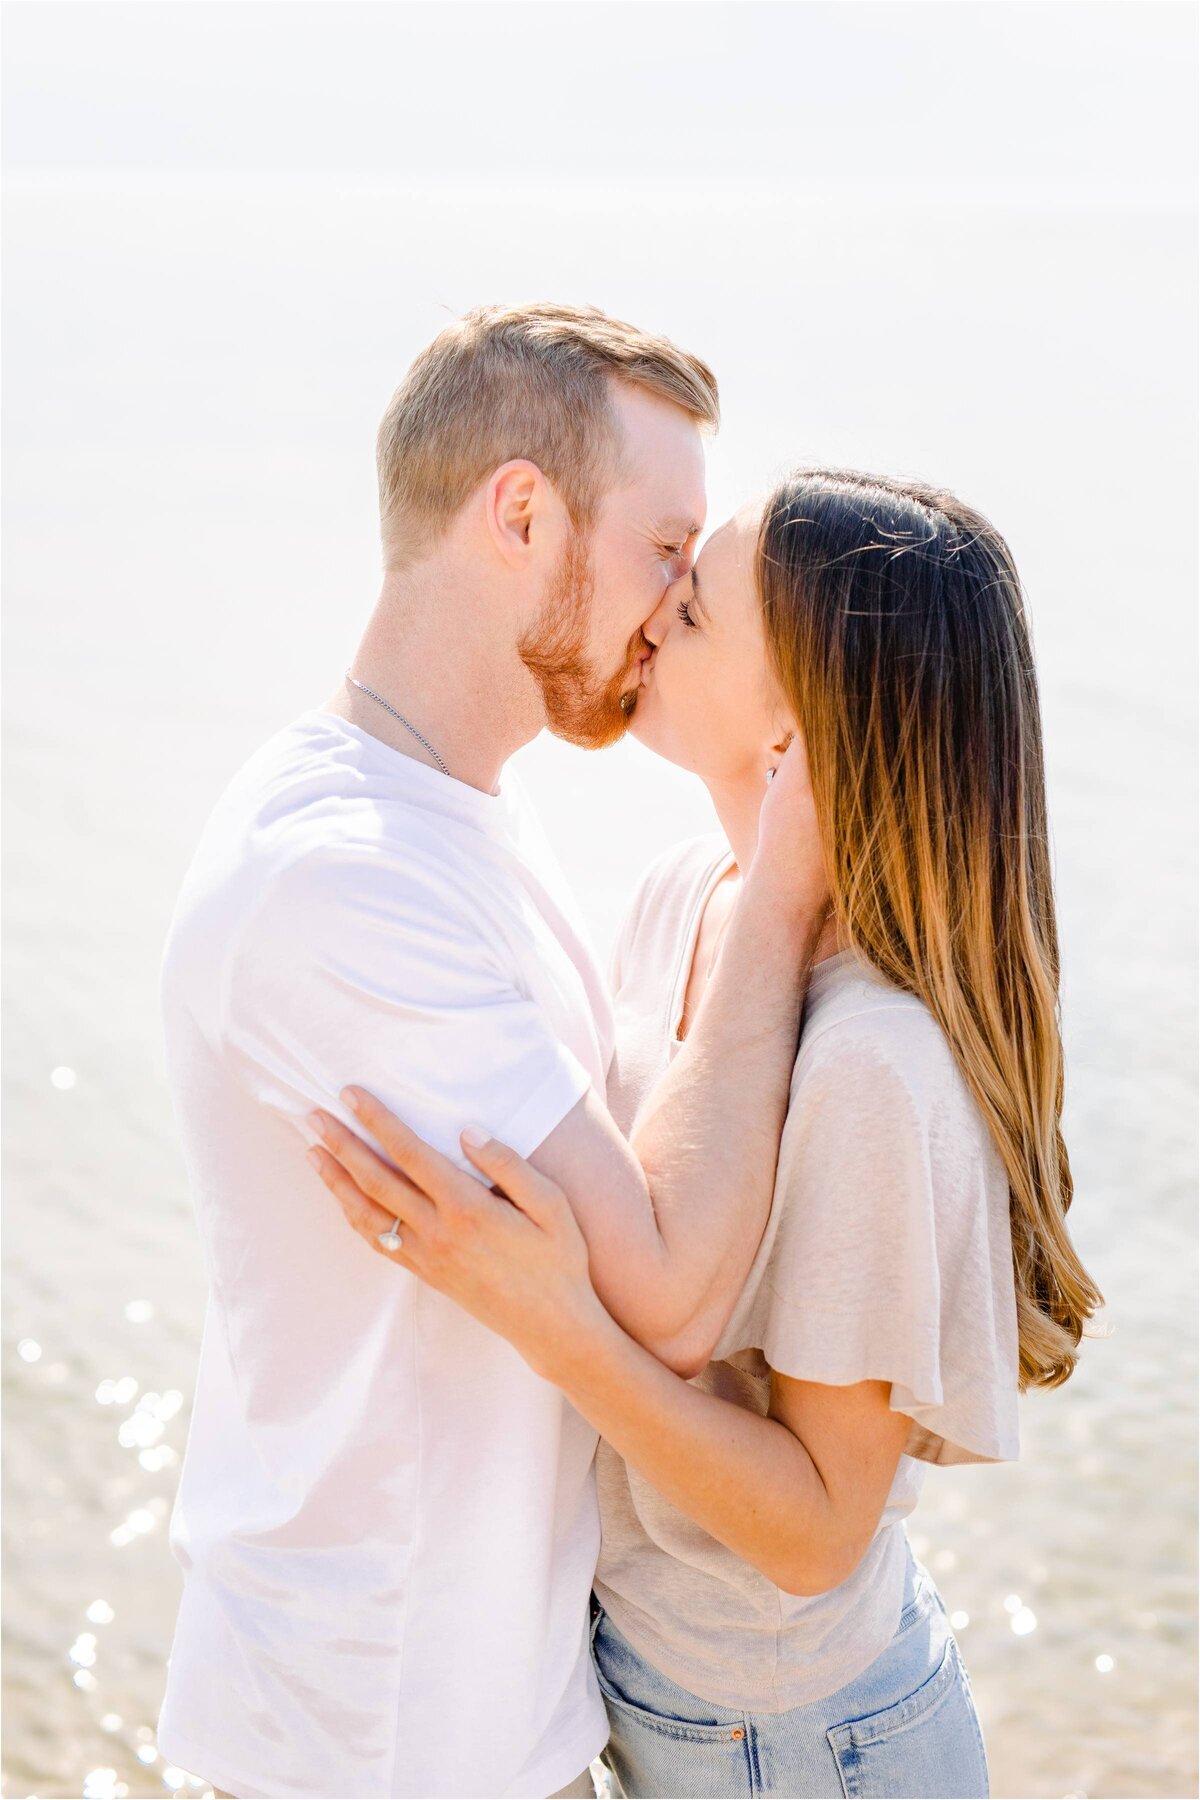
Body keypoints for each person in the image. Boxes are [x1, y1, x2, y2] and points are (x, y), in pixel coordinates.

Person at [312, 469, 1104, 1799]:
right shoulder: (686, 897)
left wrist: (549, 1321)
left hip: (806, 1747)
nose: (657, 601)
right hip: (647, 1699)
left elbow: (812, 1536)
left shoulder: (870, 1064)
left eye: (701, 601)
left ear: (795, 732)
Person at [155, 303, 834, 1800]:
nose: (674, 606)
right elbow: (661, 1292)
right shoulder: (335, 881)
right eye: (665, 548)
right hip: (369, 1742)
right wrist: (781, 897)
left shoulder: (459, 807)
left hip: (482, 1713)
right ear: (521, 515)